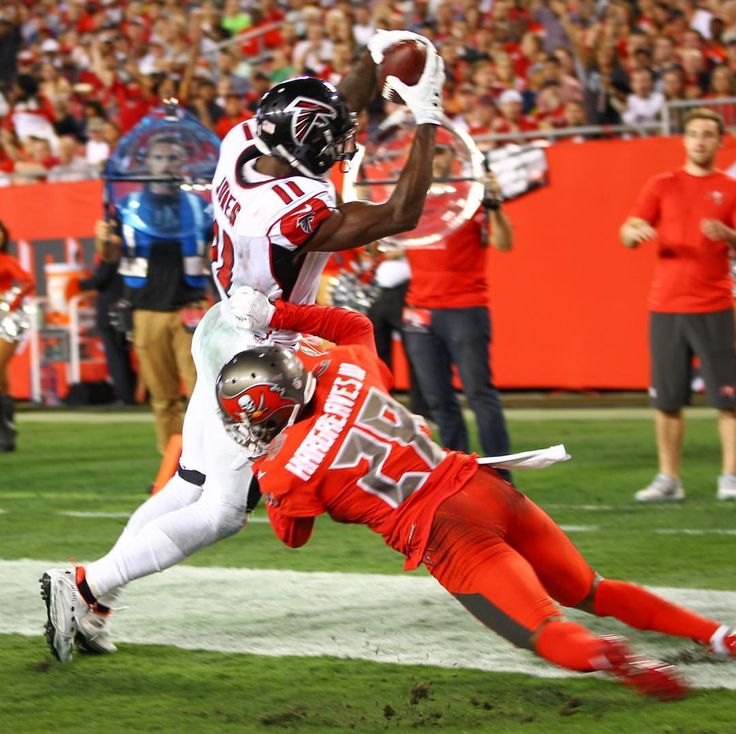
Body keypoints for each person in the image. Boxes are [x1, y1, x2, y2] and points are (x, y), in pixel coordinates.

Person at [40, 29, 447, 663]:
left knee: (189, 482)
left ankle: (90, 600)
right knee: (224, 510)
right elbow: (399, 215)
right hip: (257, 349)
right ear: (303, 150)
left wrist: (371, 61)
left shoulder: (241, 143)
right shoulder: (292, 213)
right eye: (332, 143)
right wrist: (426, 115)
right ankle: (87, 584)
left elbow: (328, 108)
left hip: (226, 324)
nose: (344, 145)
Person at [216, 294, 736, 700]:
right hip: (482, 487)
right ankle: (719, 635)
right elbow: (358, 327)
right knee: (590, 589)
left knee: (542, 632)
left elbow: (293, 535)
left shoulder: (285, 470)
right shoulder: (349, 368)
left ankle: (613, 657)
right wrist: (280, 312)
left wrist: (262, 465)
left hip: (447, 532)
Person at [620, 107, 736, 503]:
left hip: (714, 305)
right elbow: (627, 232)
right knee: (667, 400)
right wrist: (634, 231)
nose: (700, 140)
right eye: (694, 133)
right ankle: (669, 479)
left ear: (721, 142)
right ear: (684, 139)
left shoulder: (730, 187)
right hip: (667, 306)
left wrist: (729, 236)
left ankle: (730, 477)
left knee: (729, 398)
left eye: (708, 134)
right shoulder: (662, 183)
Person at [95, 132, 213, 453]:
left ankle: (205, 462)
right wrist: (103, 238)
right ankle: (171, 466)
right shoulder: (127, 207)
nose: (165, 164)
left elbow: (215, 257)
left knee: (201, 391)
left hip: (190, 305)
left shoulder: (199, 207)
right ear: (146, 162)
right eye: (159, 157)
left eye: (172, 157)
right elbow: (108, 255)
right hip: (145, 309)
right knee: (162, 397)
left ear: (182, 163)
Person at [402, 143, 513, 476]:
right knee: (439, 401)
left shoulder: (473, 195)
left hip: (464, 306)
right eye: (430, 152)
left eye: (441, 152)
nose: (435, 158)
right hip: (420, 309)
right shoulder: (412, 199)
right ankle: (458, 473)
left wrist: (496, 207)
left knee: (480, 393)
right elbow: (380, 245)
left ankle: (500, 474)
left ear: (454, 157)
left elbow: (505, 243)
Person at [0, 220, 34, 452]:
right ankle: (6, 432)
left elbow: (27, 282)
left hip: (8, 320)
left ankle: (6, 431)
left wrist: (8, 300)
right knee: (1, 378)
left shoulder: (7, 261)